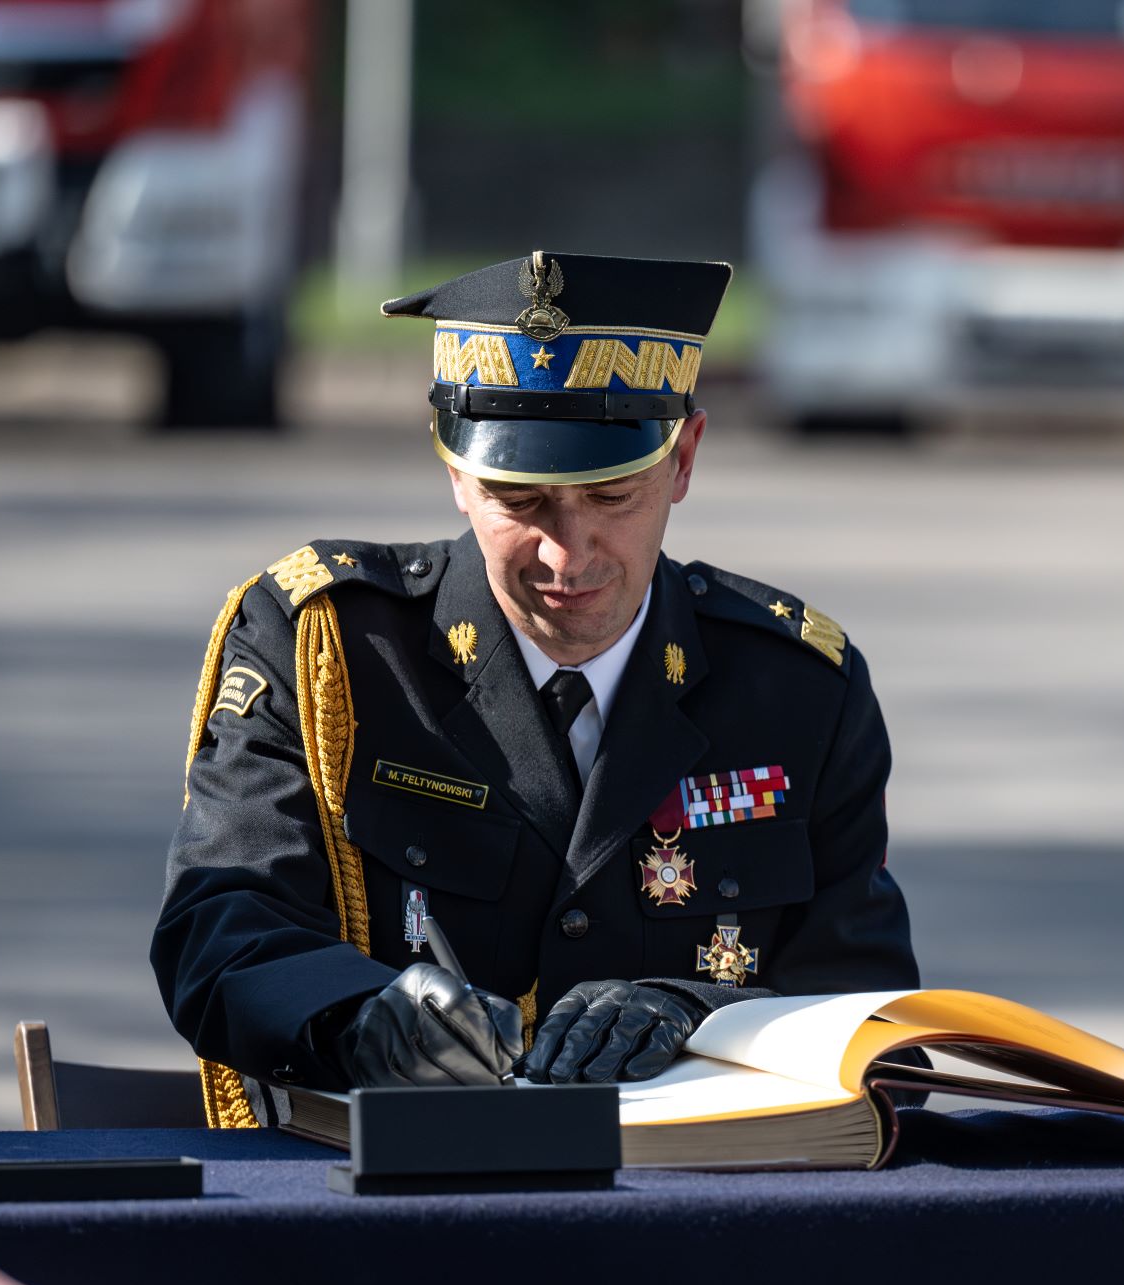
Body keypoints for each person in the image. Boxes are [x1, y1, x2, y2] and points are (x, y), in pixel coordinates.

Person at [152, 252, 920, 1126]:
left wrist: (700, 1014)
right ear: (453, 469)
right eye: (520, 502)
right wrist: (358, 1017)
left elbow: (869, 1014)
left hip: (692, 1213)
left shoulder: (797, 689)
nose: (569, 554)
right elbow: (219, 927)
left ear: (685, 461)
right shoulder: (329, 647)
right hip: (395, 1196)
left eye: (612, 495)